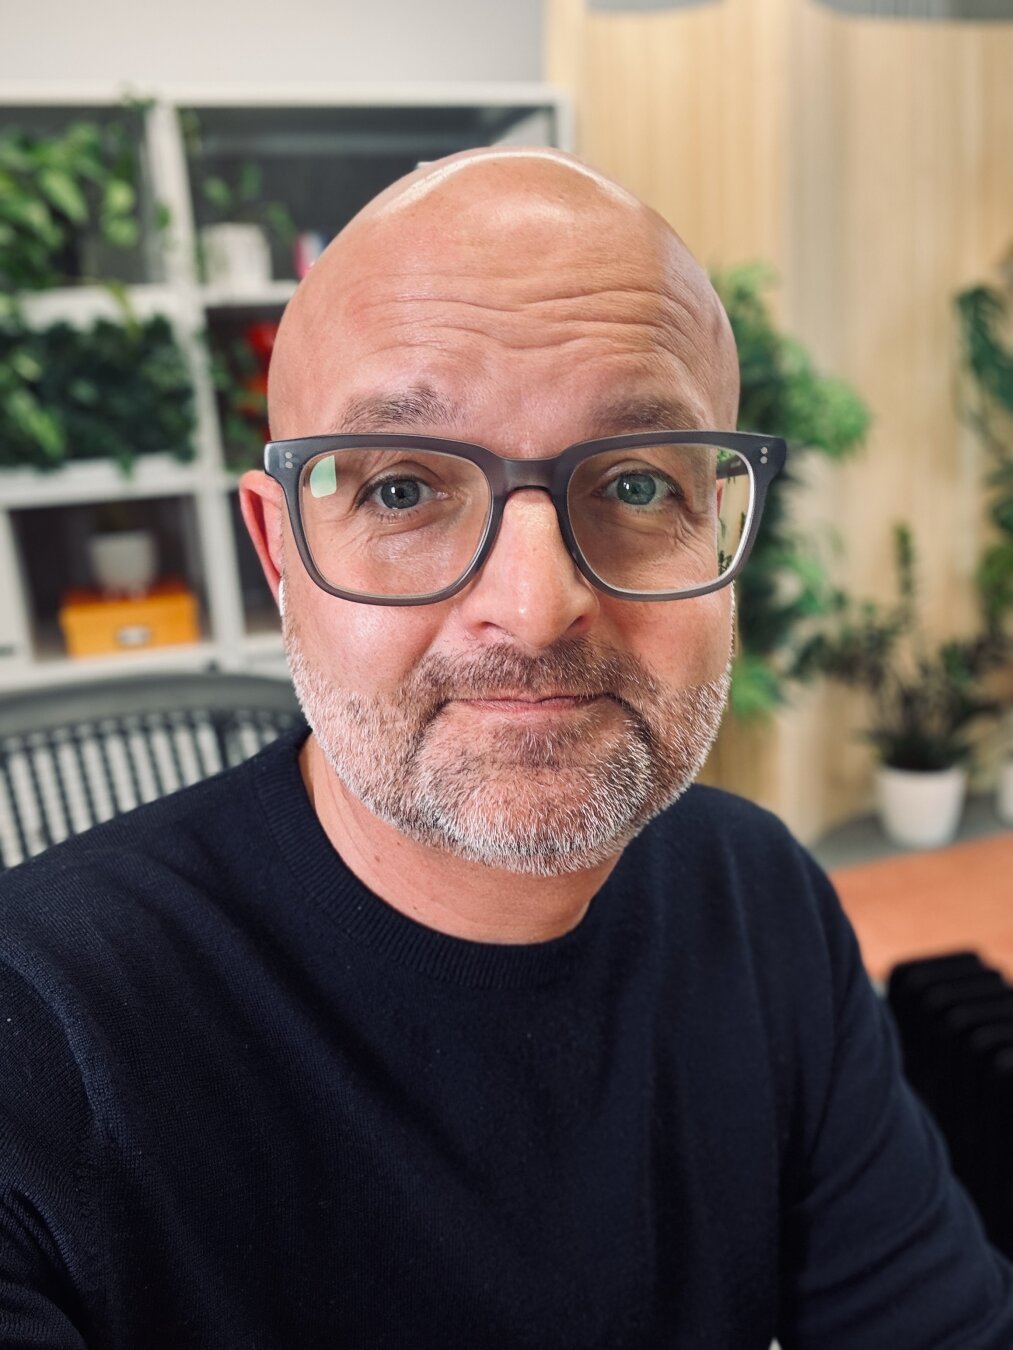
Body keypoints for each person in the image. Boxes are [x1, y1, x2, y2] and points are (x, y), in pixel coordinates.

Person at [1, 147, 1011, 1350]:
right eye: (400, 492)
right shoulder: (40, 1045)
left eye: (634, 483)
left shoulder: (758, 896)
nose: (532, 608)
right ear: (280, 558)